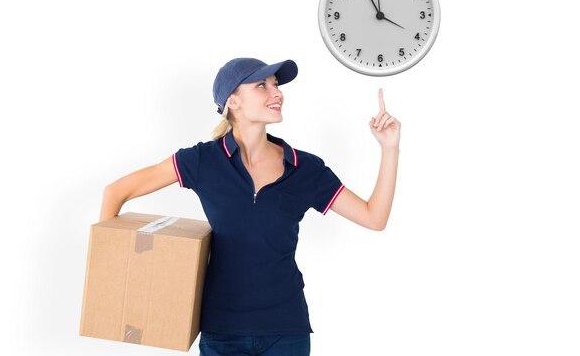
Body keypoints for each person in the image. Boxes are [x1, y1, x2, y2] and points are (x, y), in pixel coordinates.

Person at [98, 57, 401, 356]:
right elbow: (116, 192)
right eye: (262, 86)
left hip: (286, 332)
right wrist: (113, 273)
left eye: (276, 85)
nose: (277, 93)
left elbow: (374, 218)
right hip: (222, 333)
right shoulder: (203, 161)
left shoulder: (305, 168)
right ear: (233, 101)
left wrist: (390, 148)